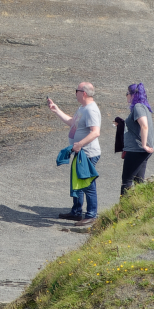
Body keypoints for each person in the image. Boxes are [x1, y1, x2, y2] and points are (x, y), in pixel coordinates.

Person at [47, 82, 101, 222]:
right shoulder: (83, 108)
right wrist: (56, 110)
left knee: (87, 184)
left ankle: (91, 215)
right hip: (80, 152)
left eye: (76, 90)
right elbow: (72, 122)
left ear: (83, 93)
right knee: (77, 182)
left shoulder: (91, 110)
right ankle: (76, 211)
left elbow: (95, 132)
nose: (74, 93)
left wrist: (80, 144)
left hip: (88, 153)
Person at [119, 82, 154, 195]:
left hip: (137, 150)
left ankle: (121, 211)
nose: (126, 96)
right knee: (138, 181)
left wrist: (144, 145)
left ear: (133, 95)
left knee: (127, 181)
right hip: (140, 150)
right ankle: (140, 207)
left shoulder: (138, 107)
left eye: (127, 93)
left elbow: (144, 125)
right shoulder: (143, 107)